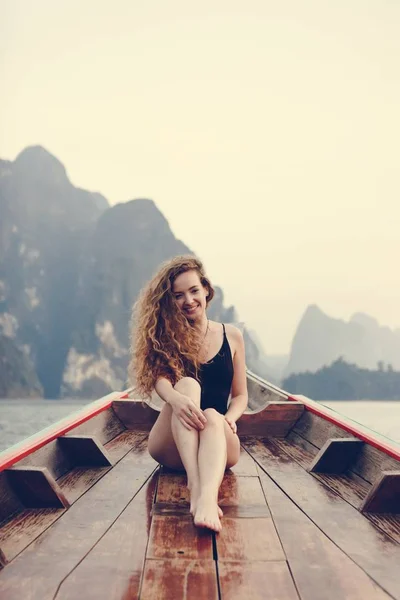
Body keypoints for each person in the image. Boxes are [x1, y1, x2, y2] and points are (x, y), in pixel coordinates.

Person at [129, 255, 248, 532]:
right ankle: (196, 485)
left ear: (206, 289)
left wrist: (230, 417)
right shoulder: (166, 336)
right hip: (173, 448)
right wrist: (176, 399)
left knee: (213, 416)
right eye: (178, 296)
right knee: (188, 386)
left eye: (194, 291)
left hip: (218, 442)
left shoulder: (232, 336)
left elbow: (241, 395)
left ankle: (207, 497)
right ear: (170, 302)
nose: (188, 300)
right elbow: (161, 382)